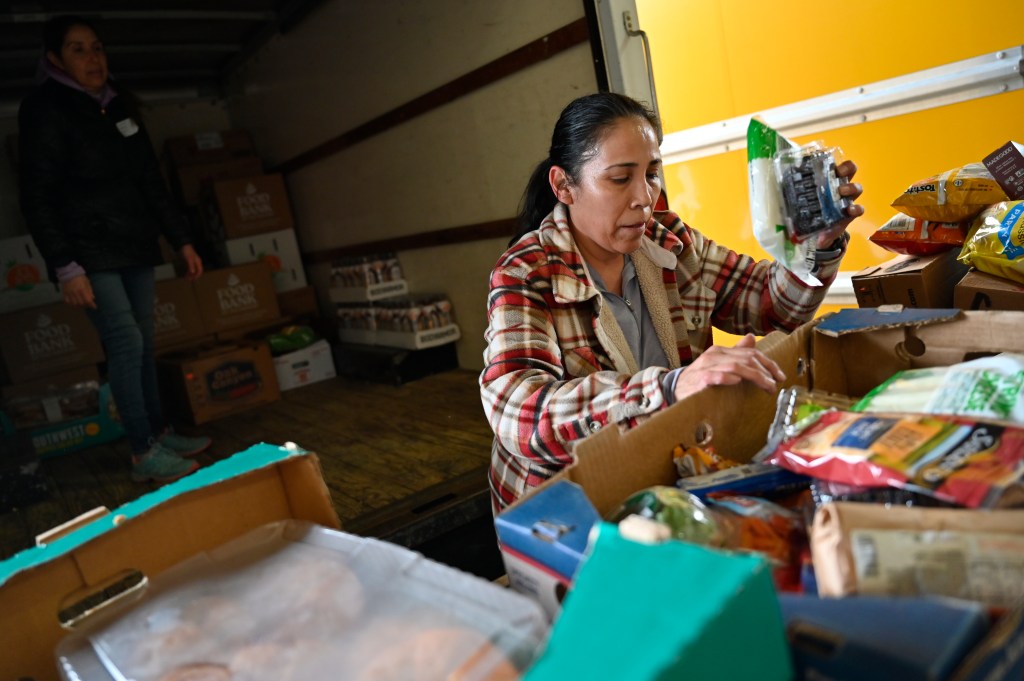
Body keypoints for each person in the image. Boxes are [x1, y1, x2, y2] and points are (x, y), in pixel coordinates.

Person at [480, 92, 864, 513]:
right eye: (620, 178)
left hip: (665, 479)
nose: (644, 197)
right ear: (564, 186)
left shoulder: (669, 241)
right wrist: (669, 387)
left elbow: (772, 306)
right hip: (566, 510)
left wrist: (814, 245)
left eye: (652, 172)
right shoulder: (525, 272)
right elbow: (519, 413)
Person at [18, 15, 212, 483]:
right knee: (125, 341)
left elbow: (150, 178)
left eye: (98, 48)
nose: (93, 58)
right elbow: (37, 194)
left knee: (144, 344)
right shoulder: (45, 108)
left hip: (134, 243)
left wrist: (181, 238)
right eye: (78, 49)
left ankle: (158, 431)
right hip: (87, 249)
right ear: (55, 59)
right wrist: (65, 265)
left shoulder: (118, 106)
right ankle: (144, 453)